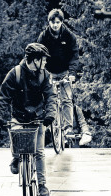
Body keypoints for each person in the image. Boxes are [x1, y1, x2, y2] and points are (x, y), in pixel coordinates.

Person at [0, 42, 54, 196]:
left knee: (39, 151)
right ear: (34, 59)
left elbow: (51, 96)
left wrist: (50, 115)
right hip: (19, 116)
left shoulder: (45, 75)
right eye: (43, 59)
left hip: (39, 118)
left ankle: (41, 185)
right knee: (16, 134)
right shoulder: (15, 74)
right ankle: (16, 157)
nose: (45, 62)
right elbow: (3, 96)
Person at [37, 8, 93, 146]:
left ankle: (68, 128)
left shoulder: (69, 36)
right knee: (49, 99)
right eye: (52, 22)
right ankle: (51, 125)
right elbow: (37, 55)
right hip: (49, 71)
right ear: (49, 22)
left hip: (64, 72)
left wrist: (72, 74)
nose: (55, 25)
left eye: (57, 22)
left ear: (61, 22)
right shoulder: (43, 37)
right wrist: (41, 72)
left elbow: (74, 55)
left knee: (67, 99)